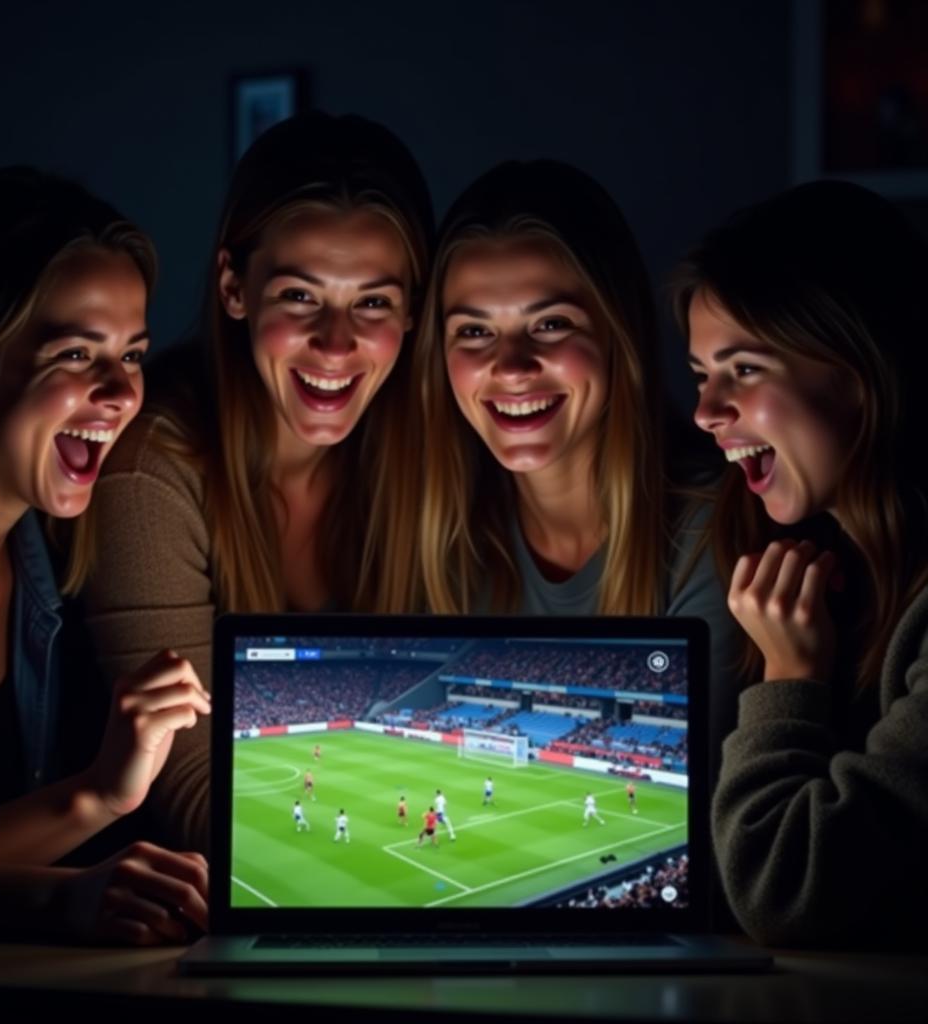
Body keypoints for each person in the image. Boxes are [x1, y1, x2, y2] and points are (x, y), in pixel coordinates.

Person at [82, 113, 433, 853]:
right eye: (301, 297)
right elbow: (187, 788)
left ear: (411, 311)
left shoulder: (429, 458)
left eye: (373, 302)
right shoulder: (151, 467)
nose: (336, 343)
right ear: (234, 287)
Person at [0, 168, 209, 943]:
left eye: (132, 355)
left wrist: (105, 792)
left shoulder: (47, 551)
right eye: (75, 354)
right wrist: (64, 897)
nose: (118, 393)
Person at [413, 161, 741, 780]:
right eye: (475, 331)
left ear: (618, 333)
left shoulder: (713, 530)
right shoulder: (444, 539)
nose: (511, 366)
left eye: (551, 324)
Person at [677, 180, 928, 947]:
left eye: (744, 370)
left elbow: (784, 891)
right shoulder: (814, 571)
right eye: (700, 375)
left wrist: (790, 680)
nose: (705, 411)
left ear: (859, 371)